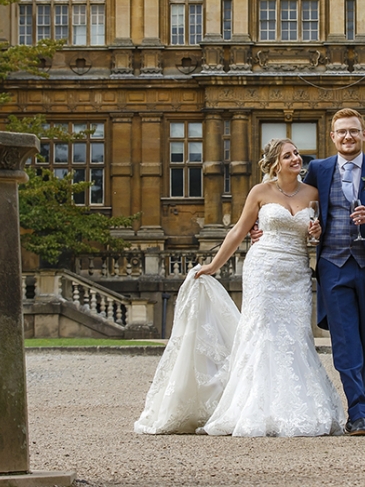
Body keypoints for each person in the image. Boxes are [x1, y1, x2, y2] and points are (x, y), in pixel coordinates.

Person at [135, 139, 345, 437]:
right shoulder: (259, 192)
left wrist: (317, 231)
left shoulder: (312, 193)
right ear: (275, 164)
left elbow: (317, 236)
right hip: (263, 270)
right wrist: (213, 266)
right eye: (288, 156)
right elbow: (239, 230)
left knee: (297, 335)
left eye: (297, 153)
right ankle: (253, 408)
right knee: (261, 333)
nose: (296, 158)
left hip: (297, 273)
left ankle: (296, 405)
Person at [302, 108, 365, 437]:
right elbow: (296, 201)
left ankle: (359, 402)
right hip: (333, 267)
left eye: (353, 131)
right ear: (332, 137)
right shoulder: (317, 170)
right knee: (345, 342)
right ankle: (359, 413)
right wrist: (264, 227)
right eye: (341, 132)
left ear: (363, 135)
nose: (348, 136)